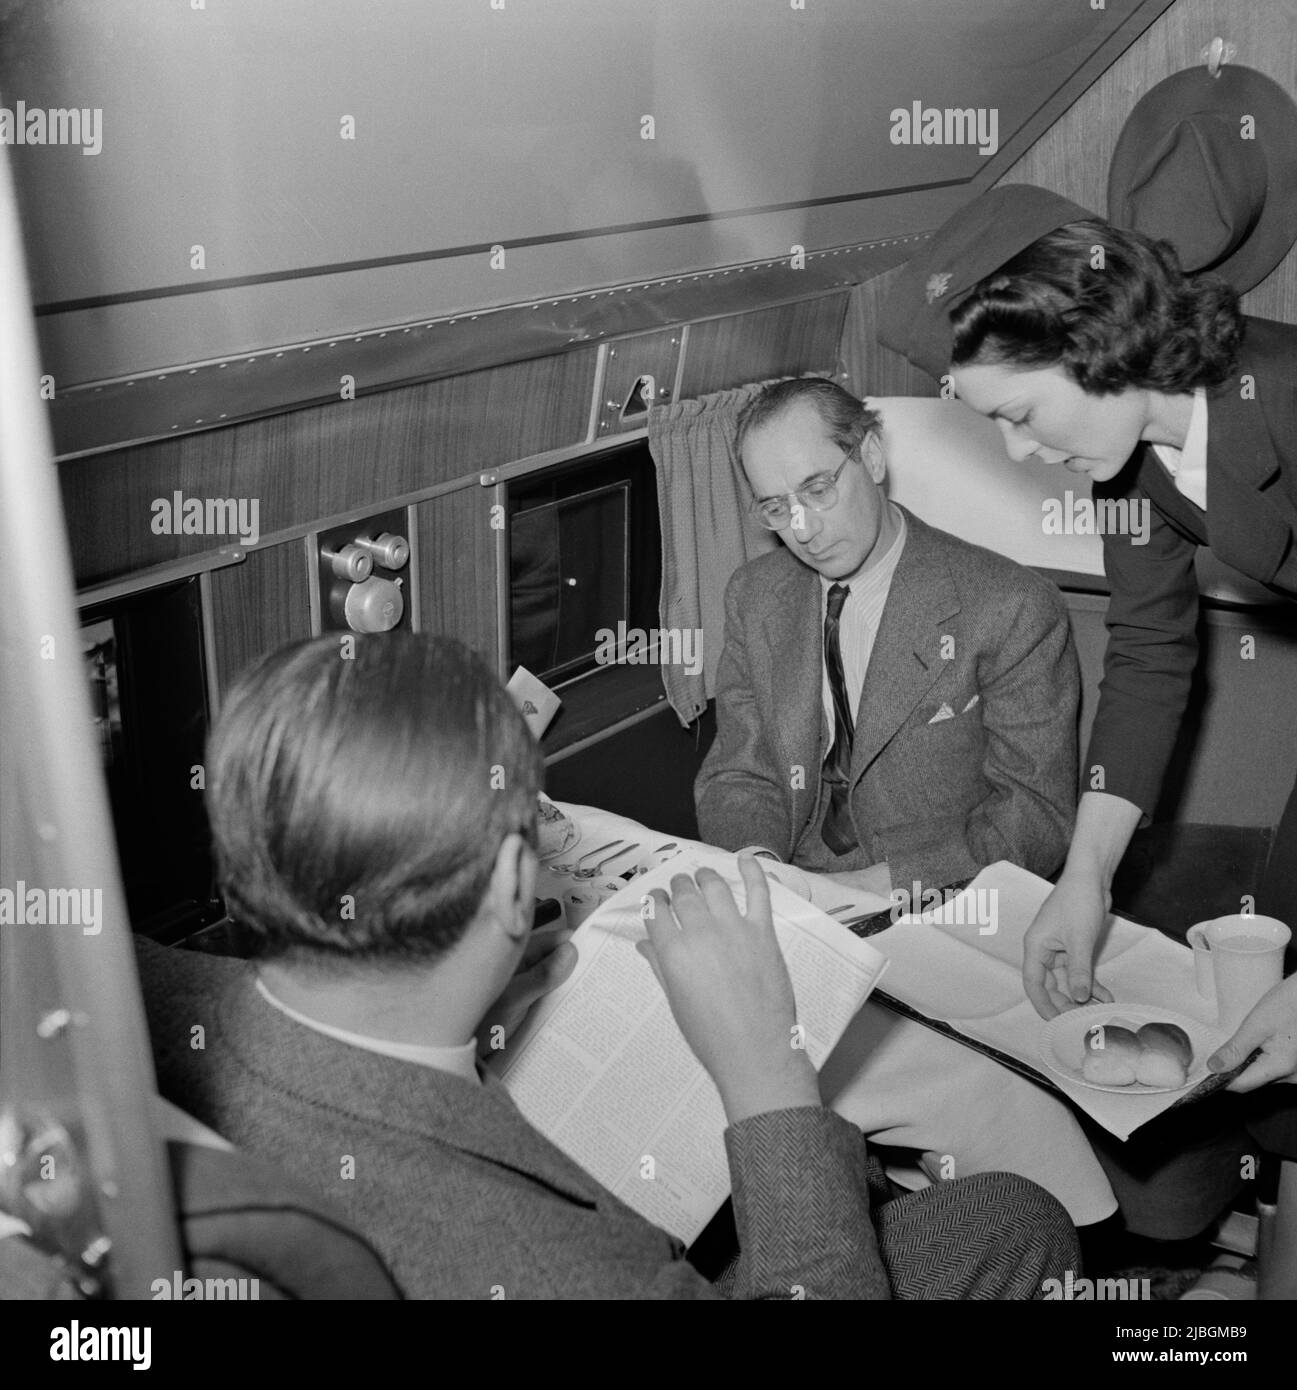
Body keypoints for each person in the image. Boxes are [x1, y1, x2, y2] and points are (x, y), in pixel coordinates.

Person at [135, 631, 1078, 1299]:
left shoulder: (140, 999)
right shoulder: (550, 1268)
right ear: (516, 880)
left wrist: (477, 988)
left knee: (1005, 1223)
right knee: (1018, 1226)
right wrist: (768, 1080)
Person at [878, 182, 1297, 1016]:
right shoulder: (1131, 459)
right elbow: (1149, 653)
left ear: (1096, 337)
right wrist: (1083, 880)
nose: (1020, 450)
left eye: (1021, 413)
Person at [696, 374, 1079, 902]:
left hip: (945, 892)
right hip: (795, 882)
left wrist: (869, 888)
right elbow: (741, 770)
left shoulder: (1010, 606)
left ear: (871, 456)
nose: (803, 530)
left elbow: (1036, 815)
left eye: (817, 489)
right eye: (777, 508)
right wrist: (761, 872)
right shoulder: (754, 595)